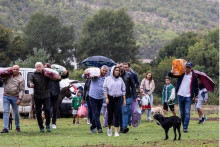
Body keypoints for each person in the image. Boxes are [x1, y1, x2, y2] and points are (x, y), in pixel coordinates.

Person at [30, 62, 61, 133]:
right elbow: (30, 81)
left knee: (47, 109)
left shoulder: (46, 74)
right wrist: (31, 84)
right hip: (37, 95)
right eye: (37, 67)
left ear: (42, 67)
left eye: (40, 66)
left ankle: (47, 124)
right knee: (38, 112)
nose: (39, 68)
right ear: (35, 68)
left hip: (46, 95)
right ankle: (41, 126)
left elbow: (54, 78)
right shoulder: (33, 74)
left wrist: (58, 78)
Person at [168, 61, 198, 133]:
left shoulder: (194, 76)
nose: (187, 68)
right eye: (186, 67)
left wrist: (195, 96)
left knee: (187, 112)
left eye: (189, 67)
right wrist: (171, 71)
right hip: (180, 95)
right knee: (182, 113)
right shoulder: (181, 74)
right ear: (184, 67)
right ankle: (184, 123)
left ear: (191, 68)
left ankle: (185, 127)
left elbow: (196, 87)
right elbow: (171, 75)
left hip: (188, 96)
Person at [83, 65, 108, 133]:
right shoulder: (94, 76)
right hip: (92, 97)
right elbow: (84, 76)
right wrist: (86, 72)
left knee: (97, 114)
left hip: (100, 98)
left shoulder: (106, 79)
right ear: (100, 70)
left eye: (106, 71)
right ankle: (99, 128)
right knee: (95, 113)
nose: (104, 72)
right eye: (103, 70)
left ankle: (92, 126)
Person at [103, 66, 126, 137]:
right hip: (110, 98)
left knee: (117, 115)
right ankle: (109, 129)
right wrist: (106, 98)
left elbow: (123, 90)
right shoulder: (107, 79)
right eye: (116, 70)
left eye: (118, 71)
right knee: (110, 115)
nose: (117, 72)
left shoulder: (120, 80)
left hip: (118, 98)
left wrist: (124, 99)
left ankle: (116, 131)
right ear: (113, 71)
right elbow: (105, 89)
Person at [1, 65, 25, 133]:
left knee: (16, 113)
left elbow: (22, 90)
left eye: (16, 69)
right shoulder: (8, 76)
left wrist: (20, 99)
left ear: (18, 70)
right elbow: (2, 79)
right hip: (6, 96)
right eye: (14, 69)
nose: (15, 70)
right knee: (5, 112)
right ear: (12, 69)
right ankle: (6, 128)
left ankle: (17, 126)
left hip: (15, 97)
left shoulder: (21, 79)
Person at [117, 62, 137, 133]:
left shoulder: (129, 75)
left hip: (127, 96)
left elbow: (133, 86)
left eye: (121, 66)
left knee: (125, 111)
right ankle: (121, 127)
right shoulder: (115, 76)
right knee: (119, 112)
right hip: (117, 97)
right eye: (118, 66)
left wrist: (135, 95)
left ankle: (124, 127)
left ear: (123, 67)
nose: (120, 68)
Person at [43, 63, 61, 129]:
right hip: (47, 93)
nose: (43, 68)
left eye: (44, 67)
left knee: (55, 108)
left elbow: (60, 78)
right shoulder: (44, 74)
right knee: (47, 108)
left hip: (56, 92)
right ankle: (47, 121)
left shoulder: (55, 73)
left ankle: (53, 123)